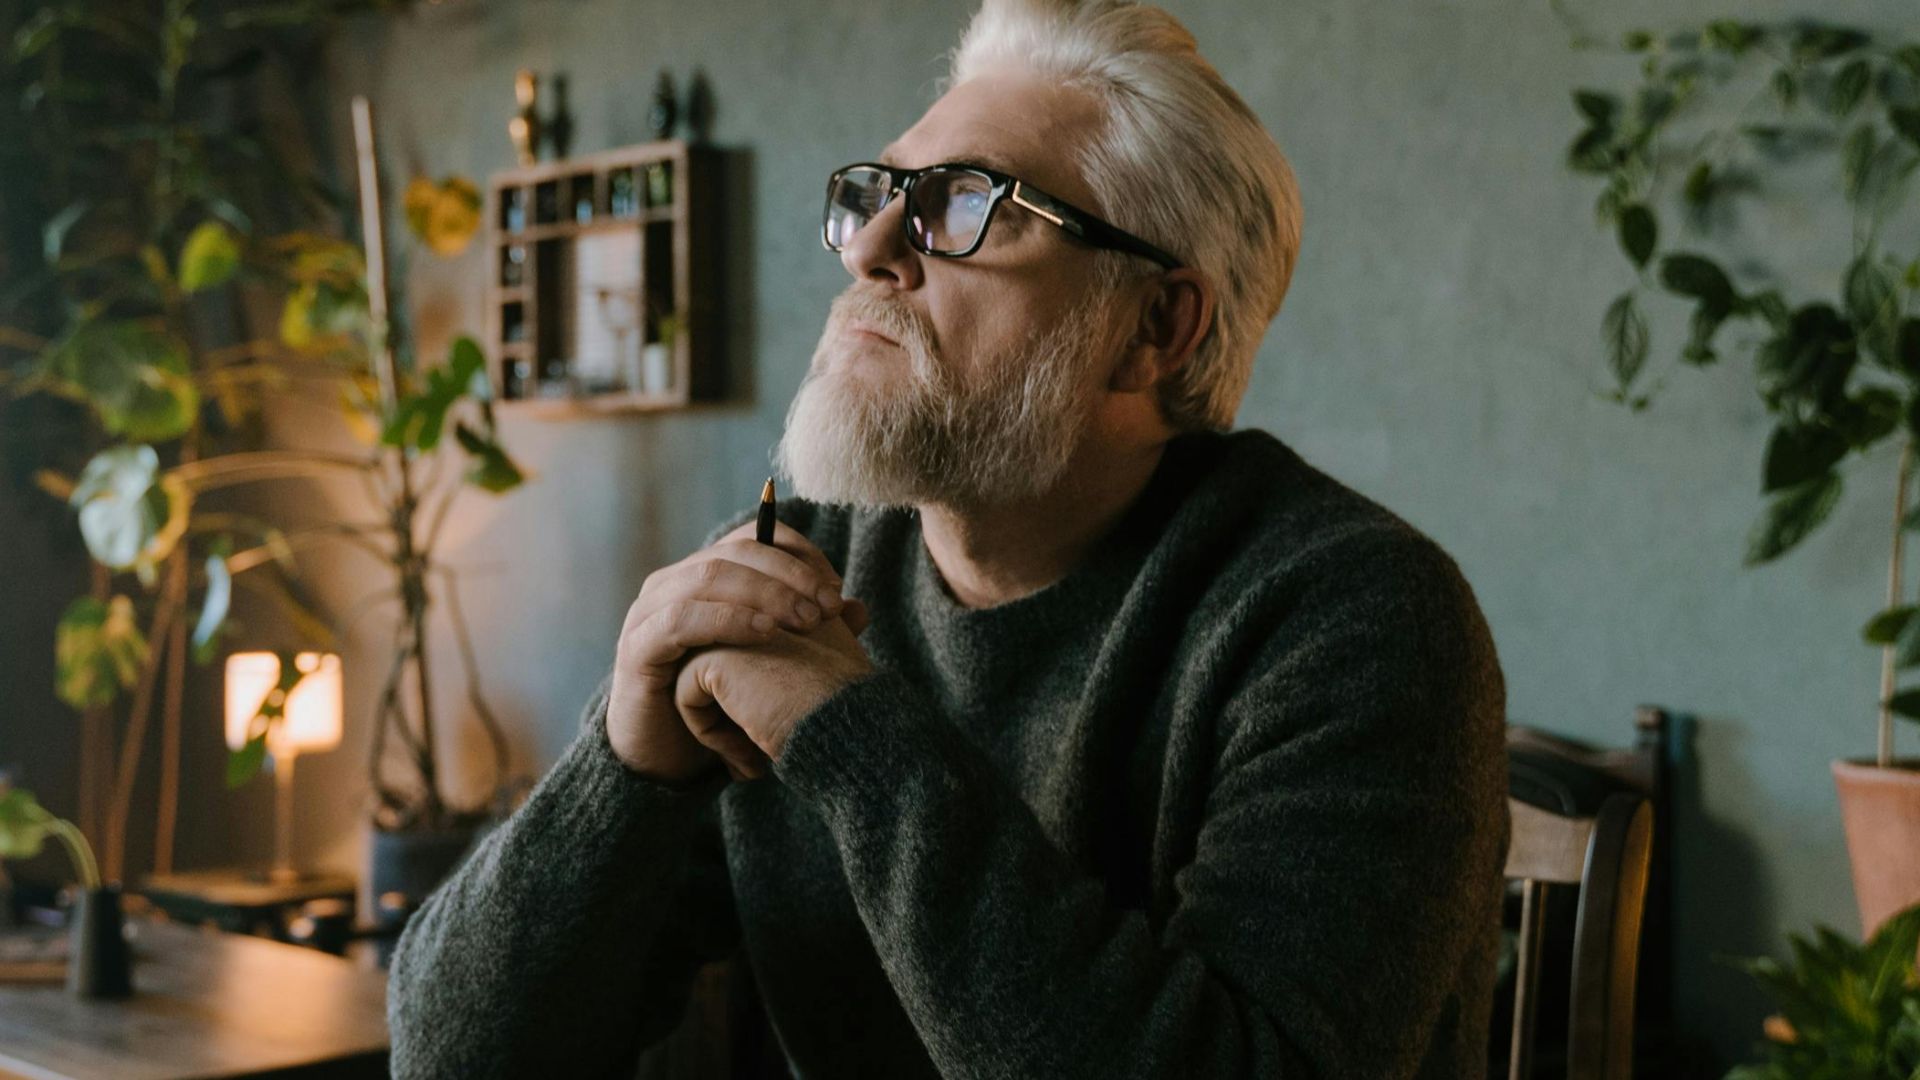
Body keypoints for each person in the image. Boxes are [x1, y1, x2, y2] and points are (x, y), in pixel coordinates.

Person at [387, 0, 1508, 1076]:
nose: (870, 246)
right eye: (880, 193)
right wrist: (624, 768)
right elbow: (449, 1060)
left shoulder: (1353, 617)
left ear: (1155, 328)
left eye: (968, 204)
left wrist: (849, 737)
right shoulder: (792, 566)